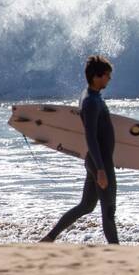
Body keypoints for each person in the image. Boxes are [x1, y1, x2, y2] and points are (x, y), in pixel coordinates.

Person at [40, 55, 118, 244]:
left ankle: (49, 238)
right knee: (108, 210)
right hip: (100, 162)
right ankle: (117, 250)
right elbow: (90, 136)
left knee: (86, 206)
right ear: (96, 77)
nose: (110, 78)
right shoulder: (91, 102)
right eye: (107, 75)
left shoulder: (92, 96)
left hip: (96, 159)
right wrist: (100, 169)